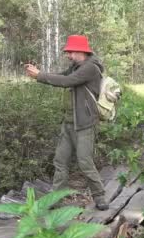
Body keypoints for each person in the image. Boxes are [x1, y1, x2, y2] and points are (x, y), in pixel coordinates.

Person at [24, 35, 109, 210]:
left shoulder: (90, 68)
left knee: (85, 162)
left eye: (70, 51)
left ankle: (99, 196)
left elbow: (67, 82)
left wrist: (39, 75)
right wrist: (39, 73)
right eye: (68, 52)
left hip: (84, 124)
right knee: (60, 161)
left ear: (81, 51)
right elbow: (61, 77)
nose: (68, 55)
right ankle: (56, 199)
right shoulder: (76, 67)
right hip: (69, 123)